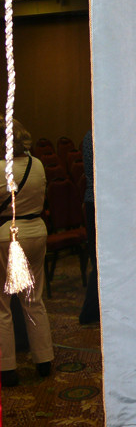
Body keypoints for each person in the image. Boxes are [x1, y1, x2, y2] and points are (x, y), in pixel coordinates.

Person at [0, 117, 54, 386]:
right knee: (34, 299)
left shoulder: (2, 168)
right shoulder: (38, 164)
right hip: (36, 232)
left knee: (3, 306)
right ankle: (44, 360)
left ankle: (7, 368)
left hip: (7, 237)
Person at [79, 129, 100, 324]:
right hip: (100, 202)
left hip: (94, 201)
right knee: (100, 260)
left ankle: (94, 311)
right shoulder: (97, 135)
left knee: (98, 259)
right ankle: (91, 312)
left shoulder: (89, 135)